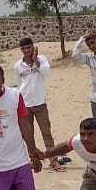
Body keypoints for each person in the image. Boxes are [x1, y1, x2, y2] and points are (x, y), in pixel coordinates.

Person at [14, 37, 61, 169]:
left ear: (33, 47)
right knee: (29, 134)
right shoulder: (18, 65)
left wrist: (36, 60)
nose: (27, 50)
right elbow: (18, 84)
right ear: (21, 50)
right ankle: (33, 159)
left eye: (29, 48)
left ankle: (53, 159)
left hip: (40, 103)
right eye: (24, 48)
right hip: (25, 104)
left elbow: (47, 72)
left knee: (46, 132)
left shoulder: (41, 59)